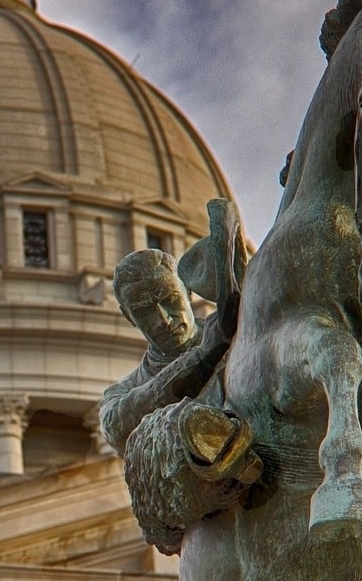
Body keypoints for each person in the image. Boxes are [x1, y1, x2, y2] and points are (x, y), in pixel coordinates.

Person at [101, 199, 261, 552]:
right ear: (130, 320)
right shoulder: (124, 392)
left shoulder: (246, 336)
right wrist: (205, 355)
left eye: (170, 300)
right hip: (200, 500)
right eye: (145, 311)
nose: (164, 318)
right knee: (174, 425)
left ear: (188, 293)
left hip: (274, 475)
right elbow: (117, 426)